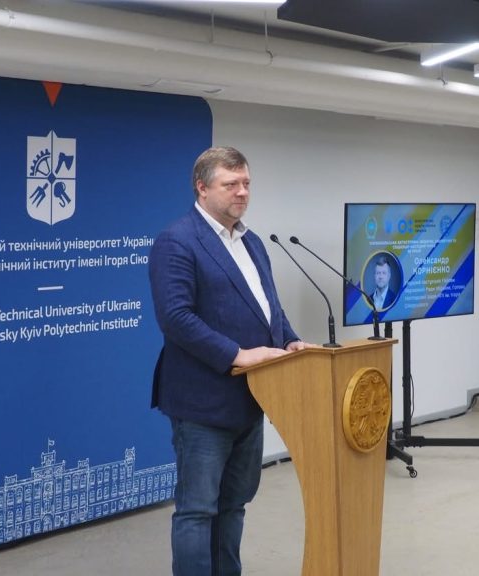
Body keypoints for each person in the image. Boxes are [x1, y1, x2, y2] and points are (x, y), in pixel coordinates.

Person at [148, 146, 311, 576]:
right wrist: (237, 354)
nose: (242, 192)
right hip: (202, 403)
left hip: (252, 398)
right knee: (198, 510)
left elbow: (269, 307)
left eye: (246, 184)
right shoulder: (177, 241)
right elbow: (176, 318)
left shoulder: (252, 242)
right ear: (202, 188)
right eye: (231, 184)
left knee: (234, 504)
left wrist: (290, 340)